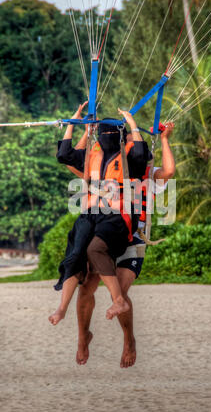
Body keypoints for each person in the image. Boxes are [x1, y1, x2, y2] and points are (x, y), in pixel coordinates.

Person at [72, 121, 176, 367]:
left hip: (133, 236)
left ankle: (129, 339)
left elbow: (169, 172)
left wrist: (164, 139)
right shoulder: (103, 167)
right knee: (86, 286)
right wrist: (87, 134)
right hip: (103, 233)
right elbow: (74, 163)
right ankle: (82, 336)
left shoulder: (144, 171)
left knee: (119, 289)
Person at [48, 103, 149, 325]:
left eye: (110, 134)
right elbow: (64, 154)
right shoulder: (93, 153)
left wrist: (131, 123)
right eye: (102, 134)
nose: (106, 138)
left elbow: (142, 153)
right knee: (76, 253)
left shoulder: (129, 155)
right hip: (91, 213)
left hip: (118, 214)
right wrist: (76, 123)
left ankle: (118, 299)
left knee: (95, 249)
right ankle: (62, 308)